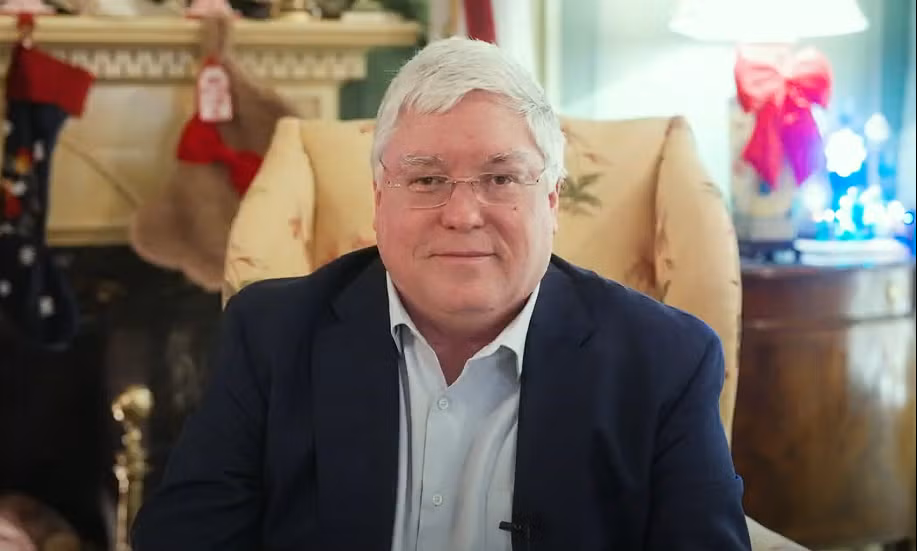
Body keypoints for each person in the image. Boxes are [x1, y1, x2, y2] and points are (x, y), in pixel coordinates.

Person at [132, 37, 752, 550]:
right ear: (379, 200)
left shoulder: (665, 360)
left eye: (501, 178)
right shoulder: (271, 334)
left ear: (552, 200)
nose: (461, 214)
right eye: (426, 179)